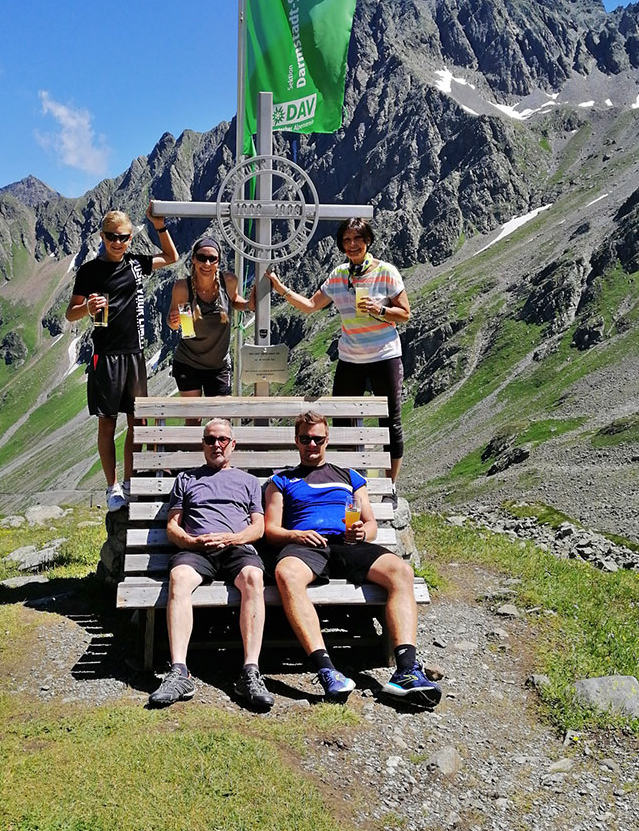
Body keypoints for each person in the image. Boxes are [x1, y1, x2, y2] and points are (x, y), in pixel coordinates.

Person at [264, 409, 440, 707]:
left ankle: (407, 670)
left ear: (327, 440)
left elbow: (370, 525)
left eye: (317, 439)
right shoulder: (281, 481)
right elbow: (270, 530)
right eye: (305, 439)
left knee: (401, 572)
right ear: (296, 441)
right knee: (286, 574)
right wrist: (296, 536)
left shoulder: (349, 477)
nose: (312, 444)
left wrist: (362, 531)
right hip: (307, 543)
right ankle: (327, 670)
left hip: (348, 542)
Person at [266, 219, 410, 494]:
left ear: (368, 240)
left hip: (384, 356)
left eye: (358, 238)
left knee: (390, 421)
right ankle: (352, 483)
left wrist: (379, 310)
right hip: (350, 359)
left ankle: (390, 485)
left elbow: (404, 313)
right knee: (343, 421)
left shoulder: (386, 272)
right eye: (346, 240)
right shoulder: (340, 274)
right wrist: (280, 287)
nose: (352, 244)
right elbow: (310, 305)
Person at [149, 418, 274, 712]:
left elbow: (258, 527)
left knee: (254, 578)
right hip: (198, 550)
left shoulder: (248, 481)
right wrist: (194, 542)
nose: (216, 445)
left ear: (233, 444)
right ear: (202, 445)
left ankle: (250, 672)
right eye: (210, 440)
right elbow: (172, 527)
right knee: (179, 577)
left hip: (236, 548)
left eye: (222, 439)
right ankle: (179, 671)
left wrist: (233, 539)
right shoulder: (186, 480)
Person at [66, 203, 178, 511]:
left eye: (124, 237)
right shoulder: (89, 271)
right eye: (112, 237)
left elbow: (171, 258)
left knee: (137, 422)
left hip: (134, 355)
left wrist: (159, 226)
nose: (118, 243)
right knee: (107, 424)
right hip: (106, 355)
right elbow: (70, 313)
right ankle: (112, 487)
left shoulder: (135, 263)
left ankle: (129, 484)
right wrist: (87, 308)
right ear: (102, 236)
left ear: (130, 237)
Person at [167, 235, 254, 399]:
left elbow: (234, 300)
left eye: (212, 259)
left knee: (222, 418)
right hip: (188, 363)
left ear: (218, 262)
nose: (206, 264)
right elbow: (172, 323)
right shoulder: (182, 287)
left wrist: (249, 304)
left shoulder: (229, 281)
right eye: (201, 258)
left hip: (219, 366)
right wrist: (173, 321)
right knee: (194, 418)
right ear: (193, 259)